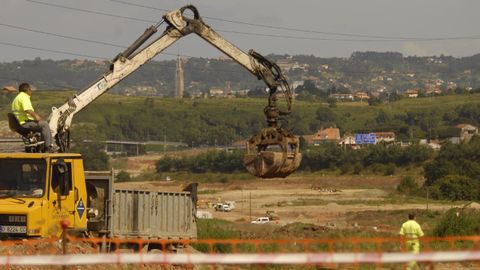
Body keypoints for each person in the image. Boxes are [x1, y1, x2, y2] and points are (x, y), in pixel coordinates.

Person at [11, 82, 55, 152]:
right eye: (30, 90)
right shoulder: (24, 97)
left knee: (42, 126)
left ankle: (42, 146)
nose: (31, 91)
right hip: (24, 123)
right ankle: (48, 147)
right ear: (27, 90)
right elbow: (27, 110)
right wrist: (37, 116)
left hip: (19, 123)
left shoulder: (17, 98)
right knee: (45, 124)